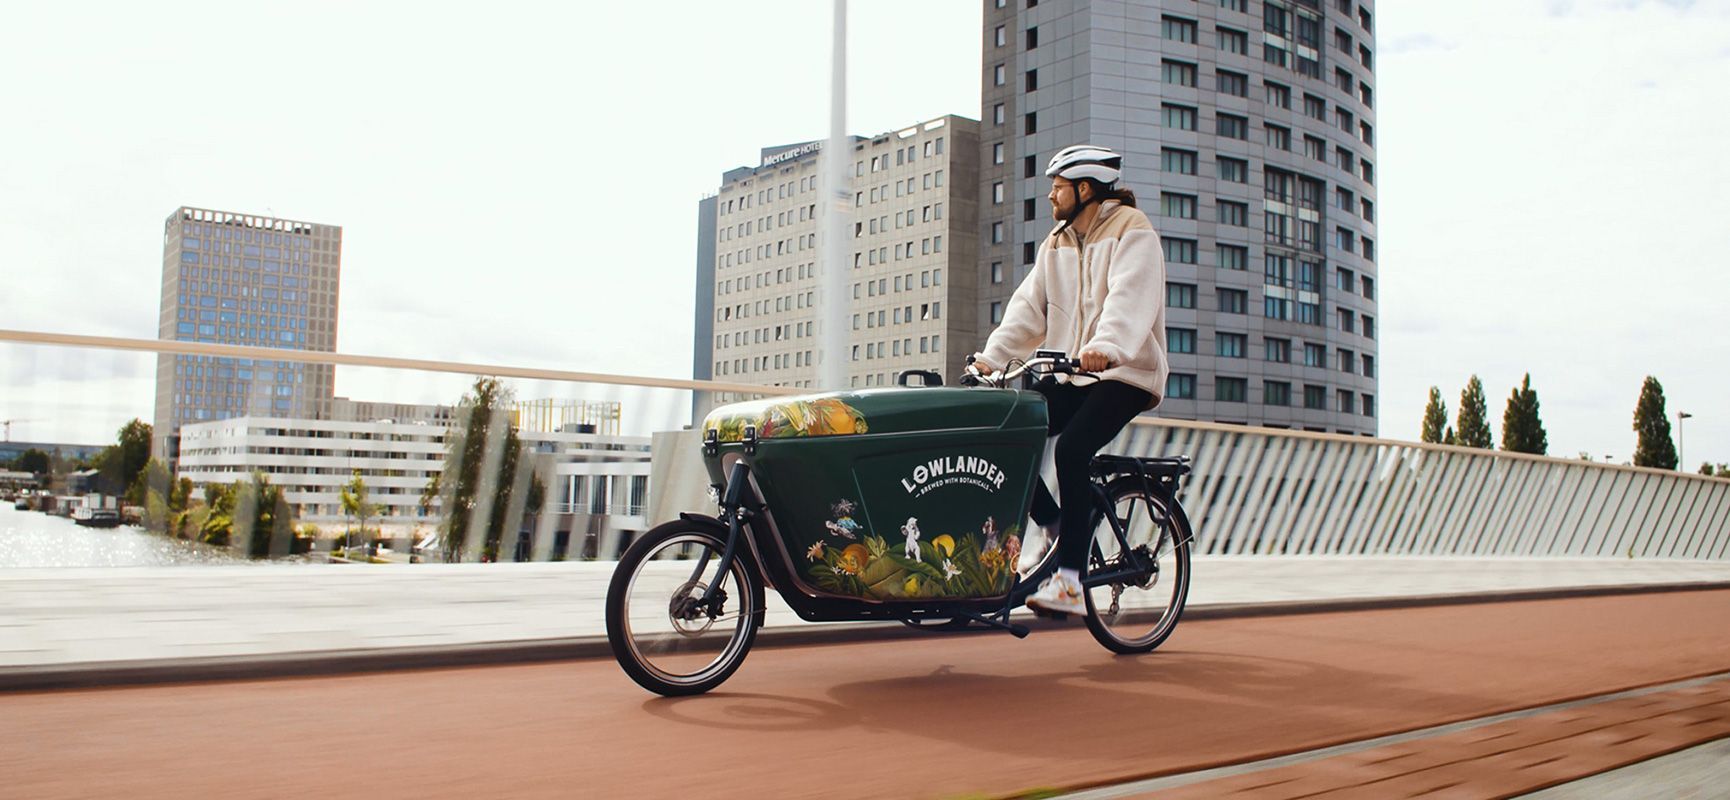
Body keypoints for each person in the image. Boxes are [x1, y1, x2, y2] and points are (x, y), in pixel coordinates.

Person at [969, 144, 1169, 616]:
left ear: (1085, 189)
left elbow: (1129, 298)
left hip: (1125, 372)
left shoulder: (1132, 232)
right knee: (1007, 429)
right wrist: (991, 360)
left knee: (1073, 449)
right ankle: (1057, 525)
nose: (1052, 197)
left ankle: (1073, 582)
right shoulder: (1056, 243)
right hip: (1073, 374)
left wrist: (1107, 347)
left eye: (1058, 188)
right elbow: (1027, 308)